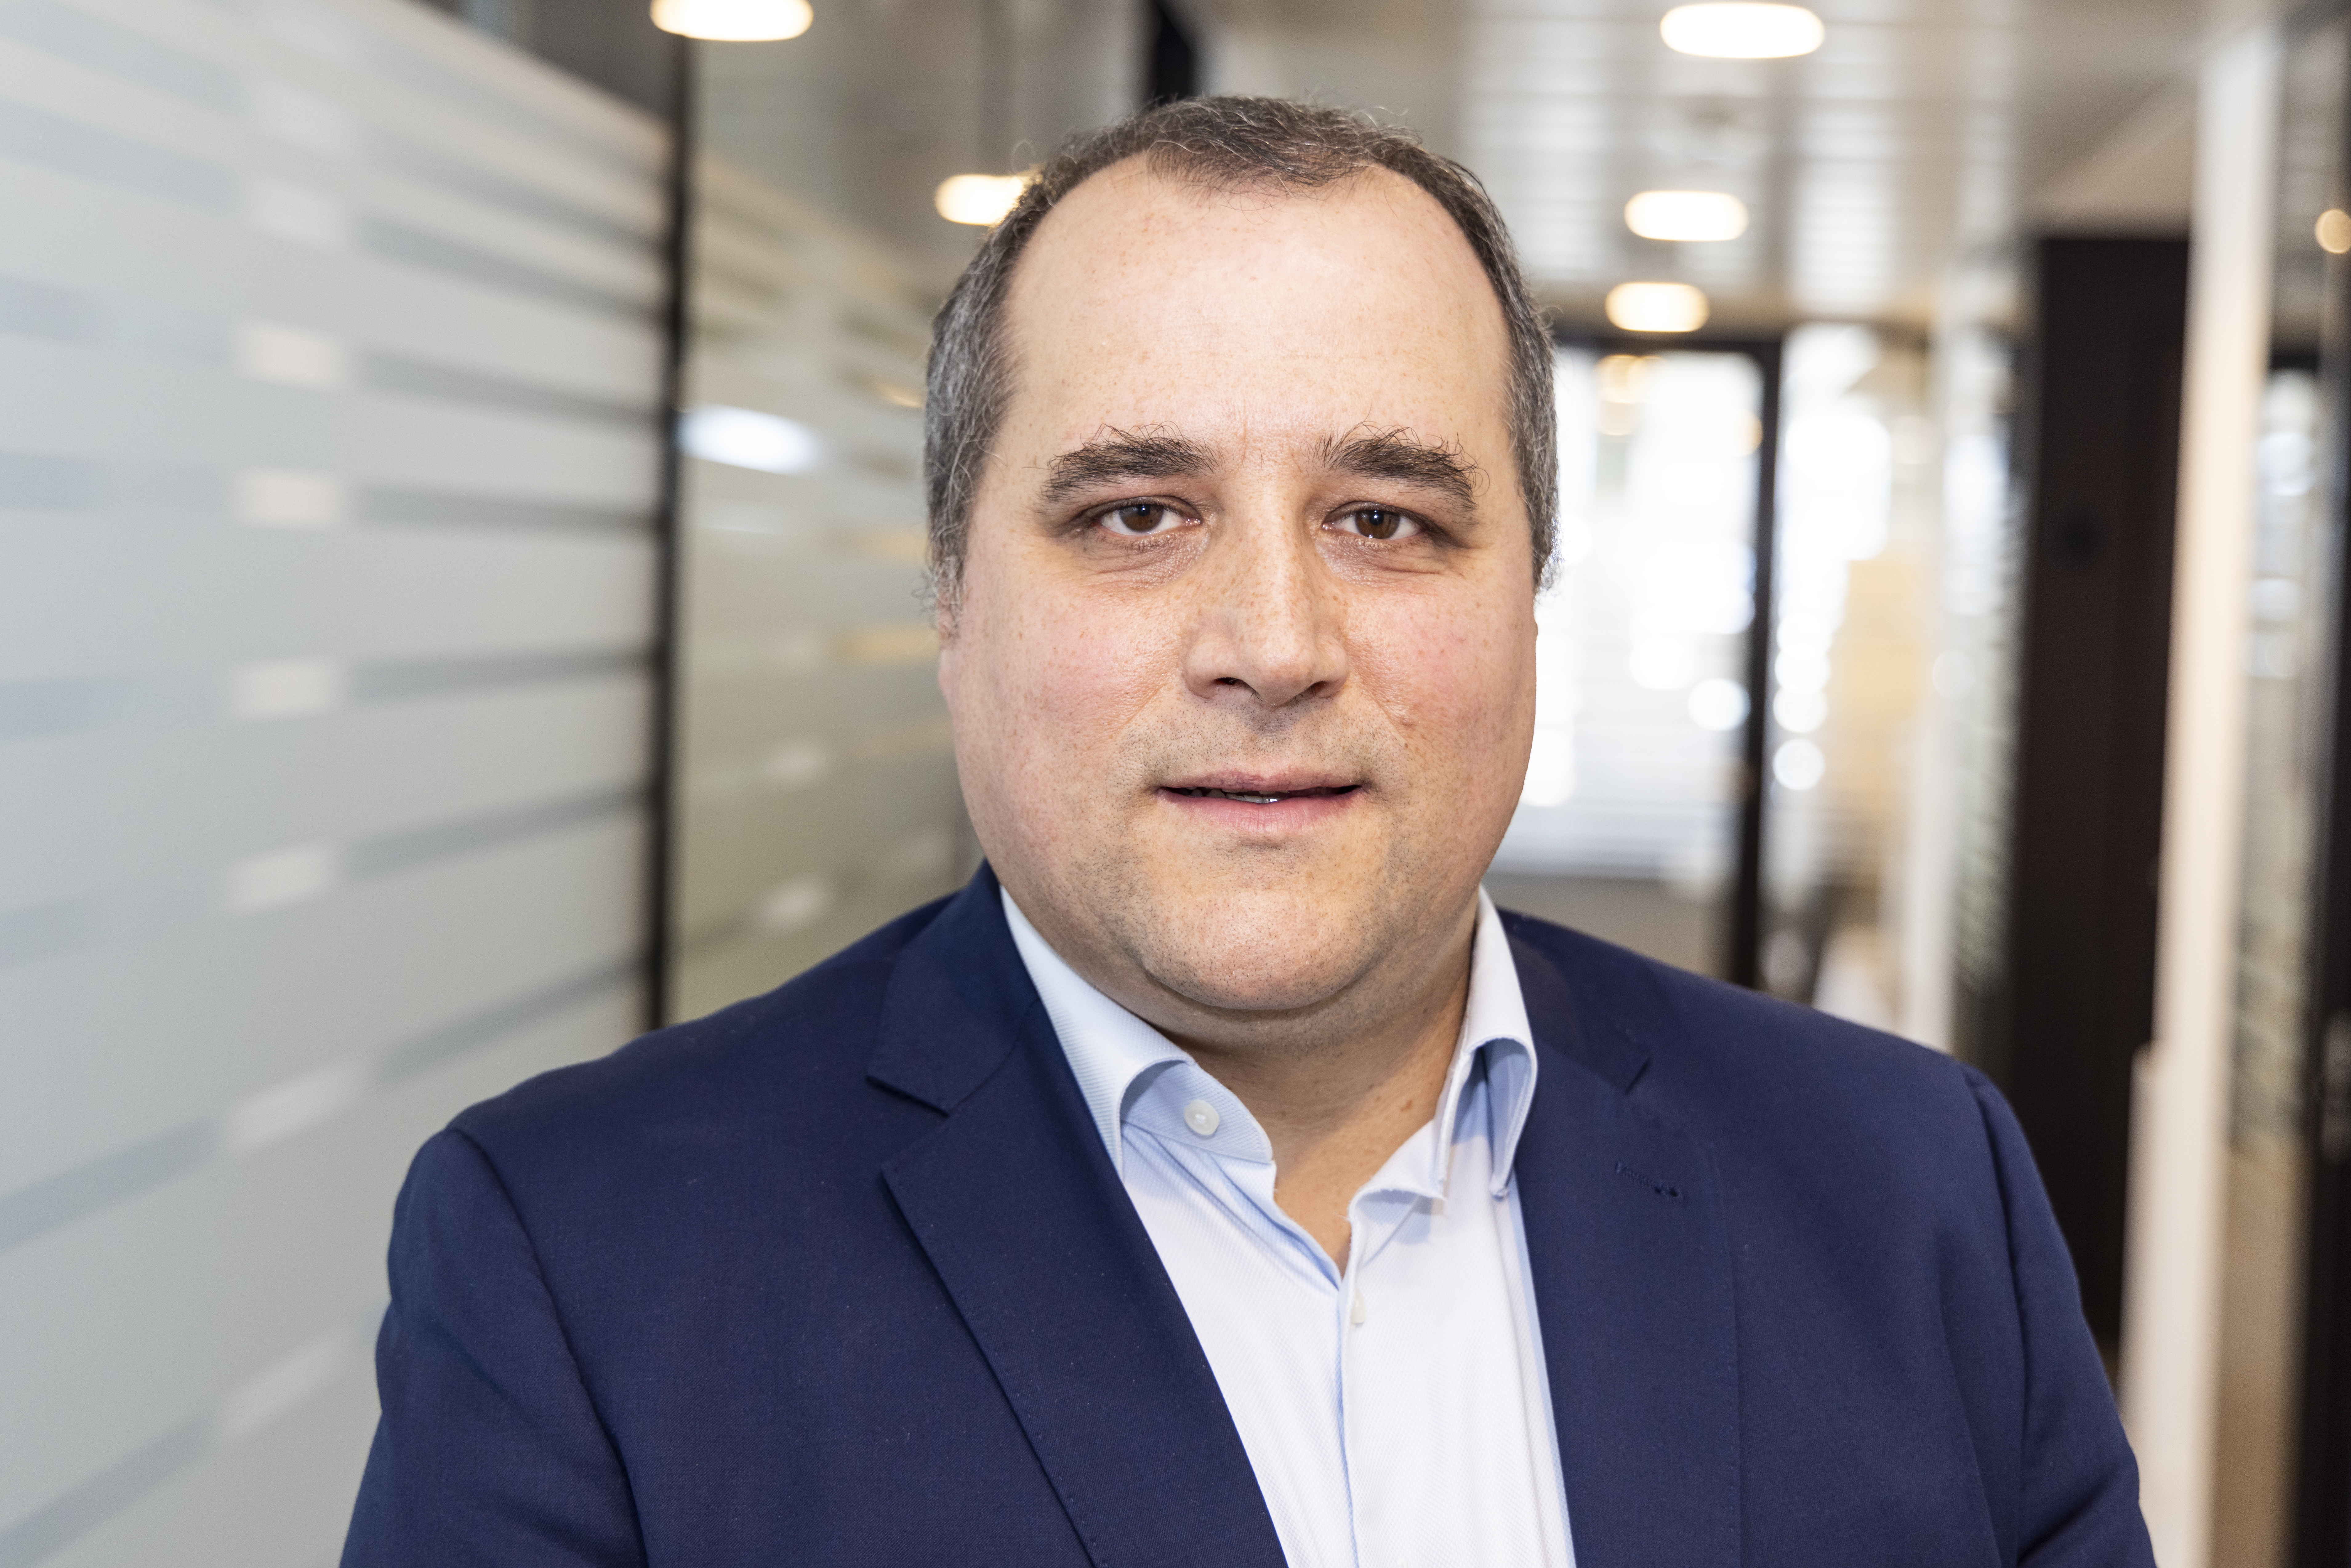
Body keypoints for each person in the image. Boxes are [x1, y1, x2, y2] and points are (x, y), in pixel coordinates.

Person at [341, 97, 2152, 1567]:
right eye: (1137, 514)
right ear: (952, 598)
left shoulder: (1912, 1187)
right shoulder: (587, 1261)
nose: (1274, 645)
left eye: (1385, 518)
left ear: (1532, 596)